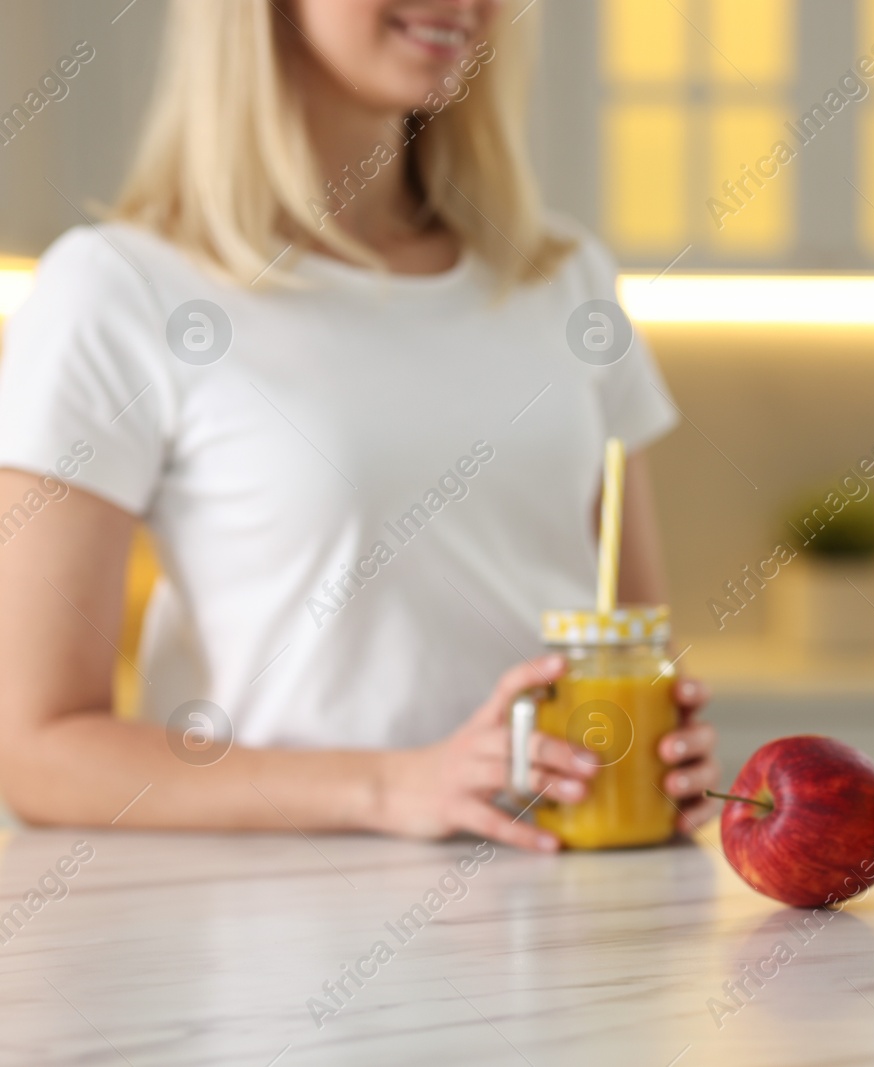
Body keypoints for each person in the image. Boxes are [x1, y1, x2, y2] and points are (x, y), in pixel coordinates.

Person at [0, 0, 718, 851]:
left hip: (571, 910)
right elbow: (37, 752)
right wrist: (395, 785)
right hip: (270, 933)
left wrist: (662, 750)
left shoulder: (565, 280)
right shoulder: (121, 288)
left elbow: (632, 638)